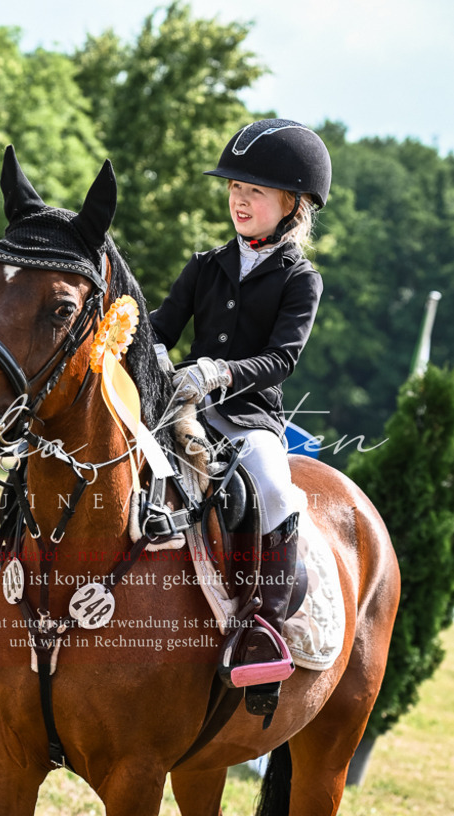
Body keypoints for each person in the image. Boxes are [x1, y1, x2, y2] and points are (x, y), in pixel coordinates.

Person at [150, 118, 332, 693]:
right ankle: (12, 568)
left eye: (253, 190)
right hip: (179, 405)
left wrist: (220, 371)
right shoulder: (205, 264)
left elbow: (282, 359)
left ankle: (264, 625)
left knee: (275, 489)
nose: (239, 198)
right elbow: (162, 327)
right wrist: (148, 350)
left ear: (293, 204)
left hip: (249, 416)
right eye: (233, 187)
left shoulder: (301, 279)